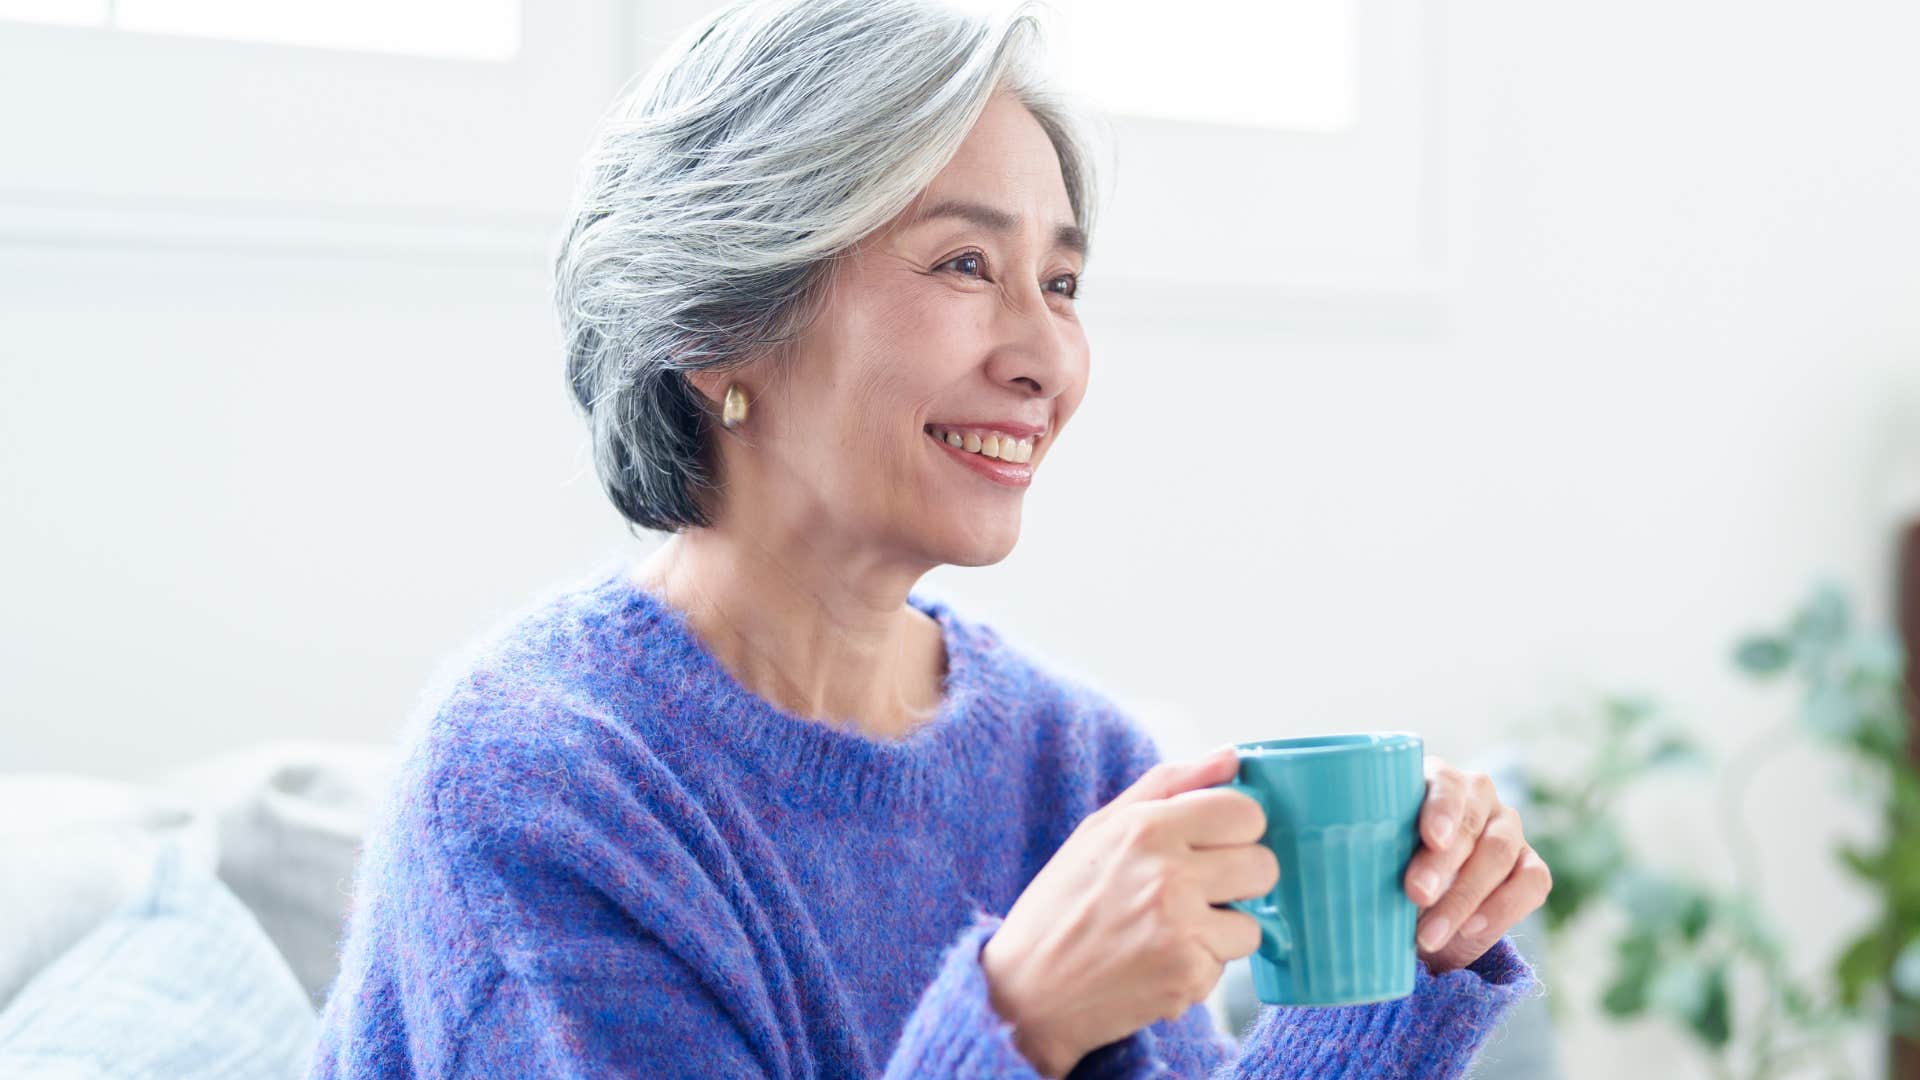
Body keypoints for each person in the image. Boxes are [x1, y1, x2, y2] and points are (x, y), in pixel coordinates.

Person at [310, 1, 1553, 1075]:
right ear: (720, 327)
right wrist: (1019, 1015)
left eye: (1061, 284)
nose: (1044, 358)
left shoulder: (1077, 758)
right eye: (965, 264)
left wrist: (1401, 972)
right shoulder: (537, 787)